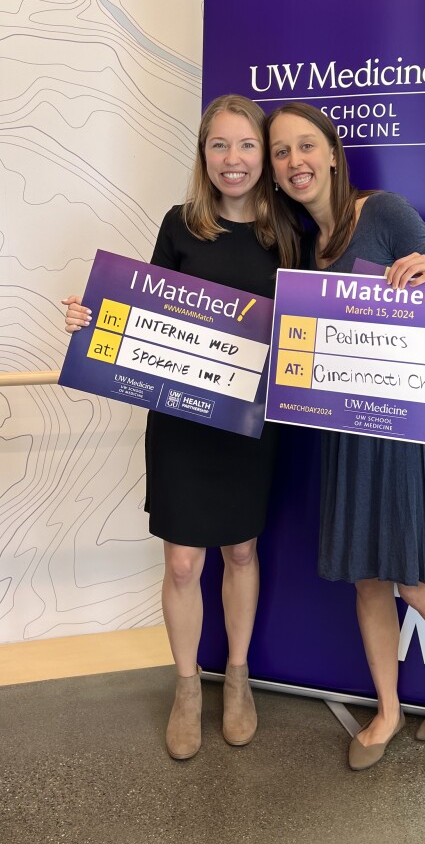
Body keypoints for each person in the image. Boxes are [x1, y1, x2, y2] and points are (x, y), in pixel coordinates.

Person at [267, 101, 425, 771]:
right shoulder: (302, 247)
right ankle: (390, 709)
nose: (296, 162)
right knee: (366, 581)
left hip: (406, 435)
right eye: (282, 152)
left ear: (333, 153)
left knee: (419, 580)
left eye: (306, 145)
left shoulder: (385, 211)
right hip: (347, 436)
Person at [63, 95, 295, 760]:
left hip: (246, 425)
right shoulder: (179, 225)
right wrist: (92, 320)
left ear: (265, 154)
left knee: (242, 552)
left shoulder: (287, 234)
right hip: (182, 424)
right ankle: (189, 686)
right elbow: (143, 315)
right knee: (183, 562)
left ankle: (240, 677)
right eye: (218, 146)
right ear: (203, 155)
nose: (233, 159)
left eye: (246, 145)